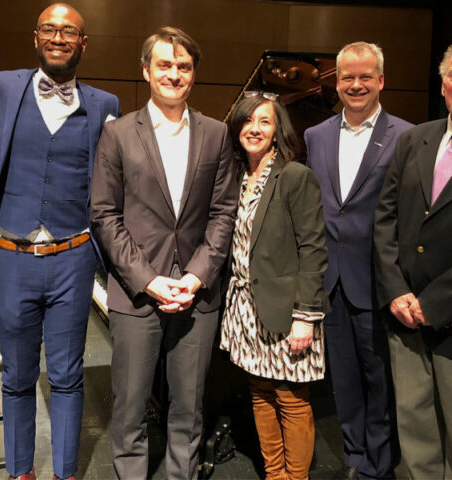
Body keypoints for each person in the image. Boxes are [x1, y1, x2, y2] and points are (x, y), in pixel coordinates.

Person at [0, 4, 120, 479]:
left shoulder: (104, 105)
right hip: (12, 258)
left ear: (84, 42)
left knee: (67, 376)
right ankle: (20, 472)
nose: (59, 37)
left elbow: (110, 182)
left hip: (72, 258)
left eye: (70, 32)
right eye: (50, 29)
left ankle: (64, 473)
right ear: (36, 37)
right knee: (17, 379)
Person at [90, 26, 237, 480]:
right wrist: (150, 279)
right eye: (165, 65)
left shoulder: (216, 134)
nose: (175, 74)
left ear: (194, 74)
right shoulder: (117, 133)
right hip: (137, 293)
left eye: (184, 67)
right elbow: (103, 214)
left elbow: (222, 215)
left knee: (189, 408)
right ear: (146, 71)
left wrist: (194, 278)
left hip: (197, 296)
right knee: (131, 408)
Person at [304, 41, 413, 480]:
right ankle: (354, 459)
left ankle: (380, 466)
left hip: (377, 281)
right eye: (347, 76)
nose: (356, 84)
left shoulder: (406, 136)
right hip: (331, 280)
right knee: (344, 380)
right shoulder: (316, 136)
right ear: (337, 81)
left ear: (381, 80)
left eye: (365, 76)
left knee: (380, 382)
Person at [220, 92, 328, 480]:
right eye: (248, 121)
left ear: (277, 130)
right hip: (246, 309)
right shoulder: (236, 178)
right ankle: (275, 473)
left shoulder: (294, 176)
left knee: (291, 399)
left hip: (286, 309)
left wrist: (305, 315)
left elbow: (313, 249)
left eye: (265, 121)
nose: (255, 128)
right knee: (260, 393)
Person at [374, 44, 452, 480]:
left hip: (447, 314)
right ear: (444, 84)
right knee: (414, 425)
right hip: (403, 313)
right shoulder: (413, 140)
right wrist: (397, 290)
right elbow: (384, 221)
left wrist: (433, 302)